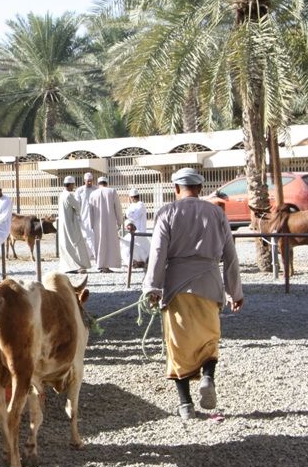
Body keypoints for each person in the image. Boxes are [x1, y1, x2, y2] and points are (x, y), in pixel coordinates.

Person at [143, 167, 244, 420]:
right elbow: (230, 255)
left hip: (176, 286)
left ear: (176, 188)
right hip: (209, 284)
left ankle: (186, 405)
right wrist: (234, 291)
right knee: (209, 339)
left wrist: (152, 288)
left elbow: (157, 253)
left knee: (178, 345)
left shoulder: (167, 212)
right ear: (200, 189)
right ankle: (208, 377)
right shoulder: (217, 213)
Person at [89, 176, 124, 273]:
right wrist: (120, 221)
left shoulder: (93, 194)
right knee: (110, 243)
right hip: (110, 222)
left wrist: (92, 224)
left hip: (97, 223)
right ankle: (107, 265)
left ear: (98, 183)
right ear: (106, 183)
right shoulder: (112, 191)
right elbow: (117, 207)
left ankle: (101, 264)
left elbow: (91, 211)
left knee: (100, 243)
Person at [57, 176, 91, 274]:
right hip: (71, 223)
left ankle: (68, 266)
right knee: (75, 243)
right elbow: (78, 208)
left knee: (67, 244)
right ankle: (77, 265)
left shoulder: (62, 195)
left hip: (64, 223)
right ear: (71, 184)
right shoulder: (68, 195)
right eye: (73, 185)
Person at [75, 173, 98, 258]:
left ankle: (95, 255)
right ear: (84, 180)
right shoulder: (79, 190)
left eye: (91, 181)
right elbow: (77, 204)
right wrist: (77, 216)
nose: (89, 183)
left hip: (94, 217)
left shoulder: (96, 189)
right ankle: (87, 256)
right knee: (85, 237)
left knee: (92, 237)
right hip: (83, 217)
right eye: (88, 181)